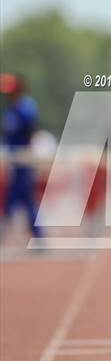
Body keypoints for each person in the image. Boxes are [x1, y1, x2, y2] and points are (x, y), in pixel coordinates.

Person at [0, 73, 44, 241]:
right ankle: (37, 235)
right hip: (14, 161)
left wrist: (29, 157)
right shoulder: (10, 110)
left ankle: (37, 235)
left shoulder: (26, 108)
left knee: (19, 198)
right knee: (19, 199)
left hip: (24, 161)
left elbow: (32, 133)